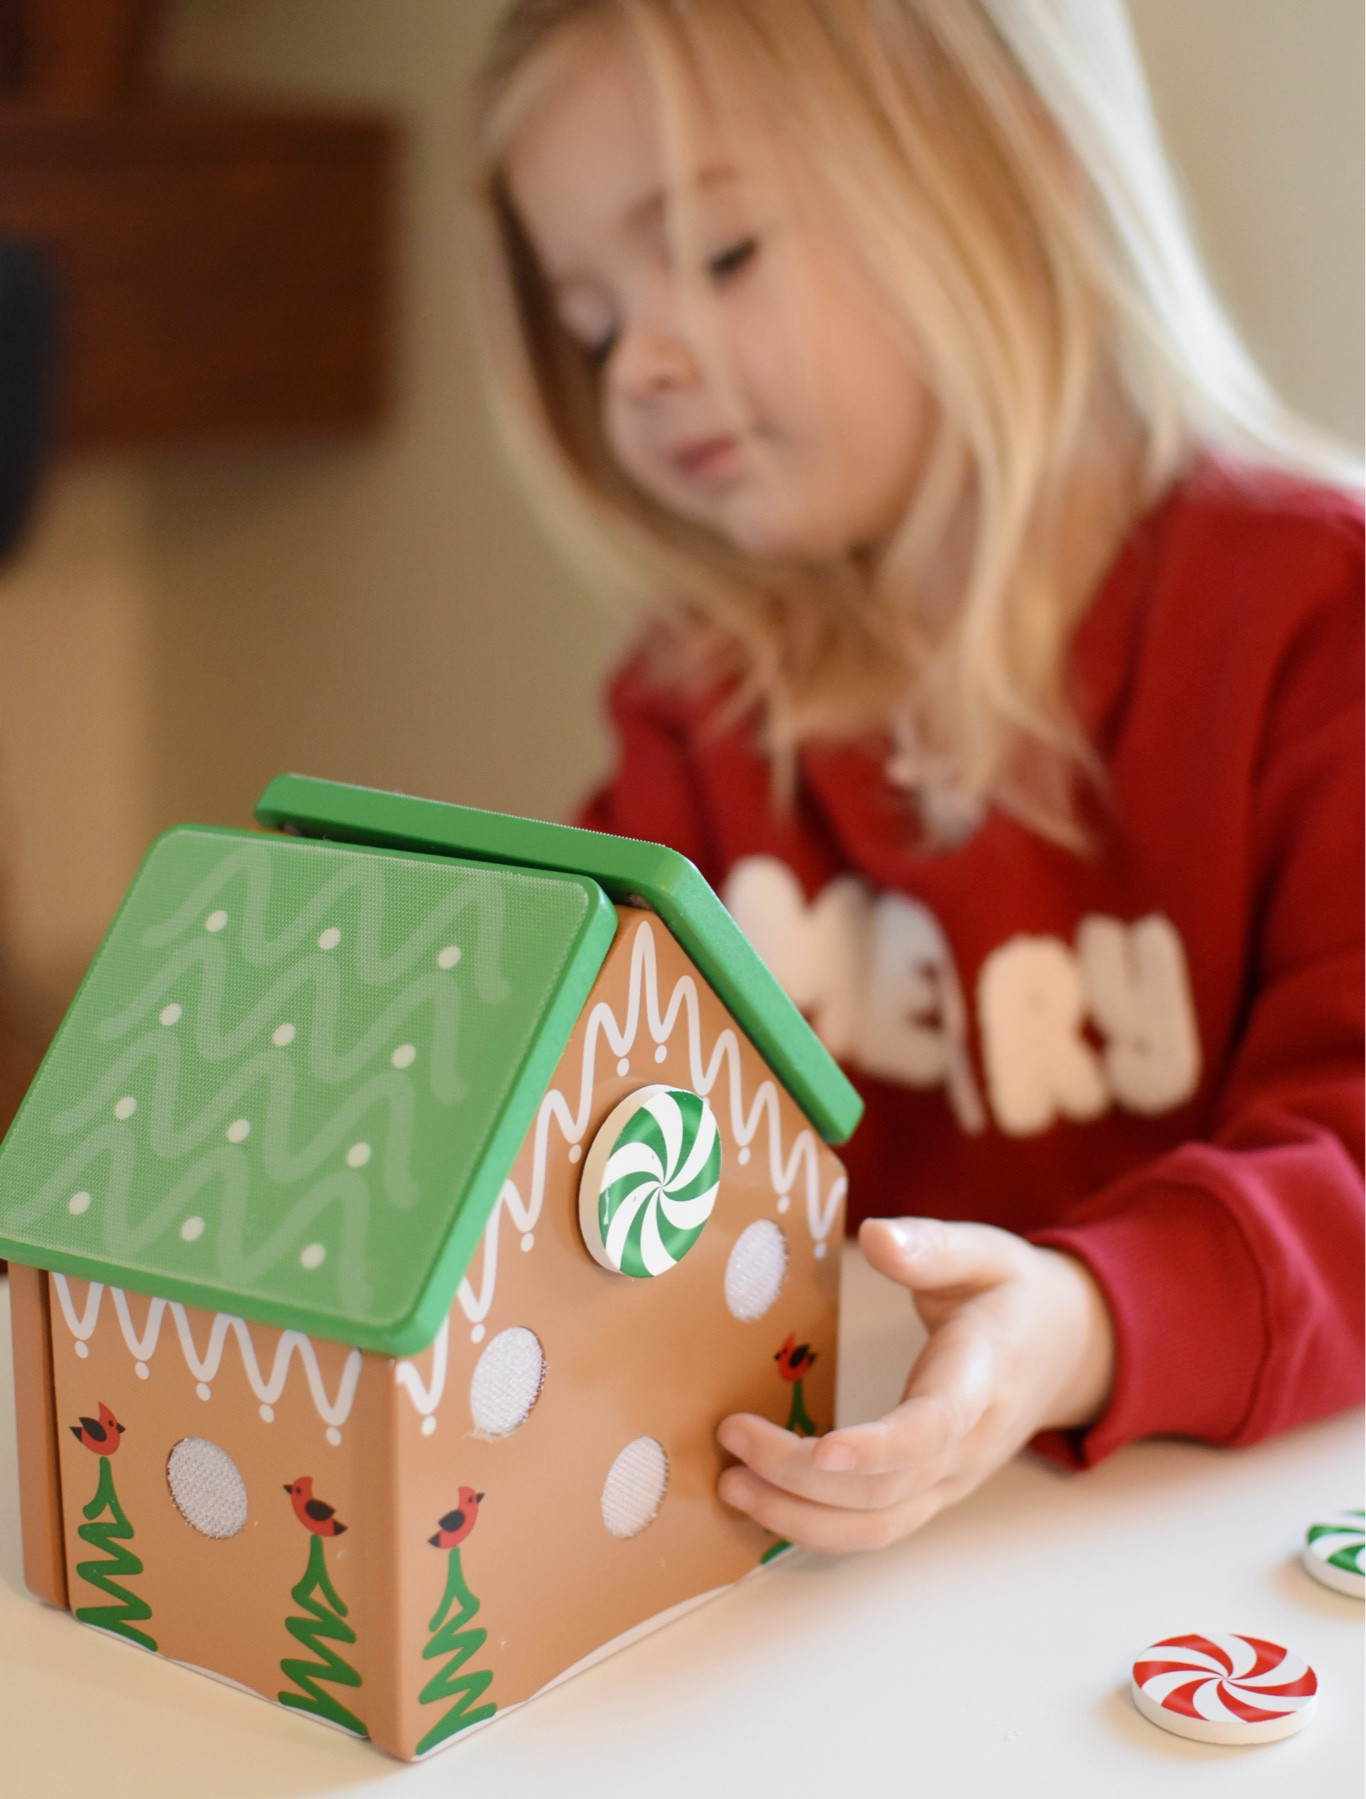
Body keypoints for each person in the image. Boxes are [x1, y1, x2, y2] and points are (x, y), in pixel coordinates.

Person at [468, 0, 1364, 1553]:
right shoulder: (705, 704)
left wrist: (1078, 1317)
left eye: (721, 251)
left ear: (1019, 177)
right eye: (594, 319)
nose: (641, 371)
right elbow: (566, 1078)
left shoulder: (1311, 623)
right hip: (817, 1545)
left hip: (1185, 1543)